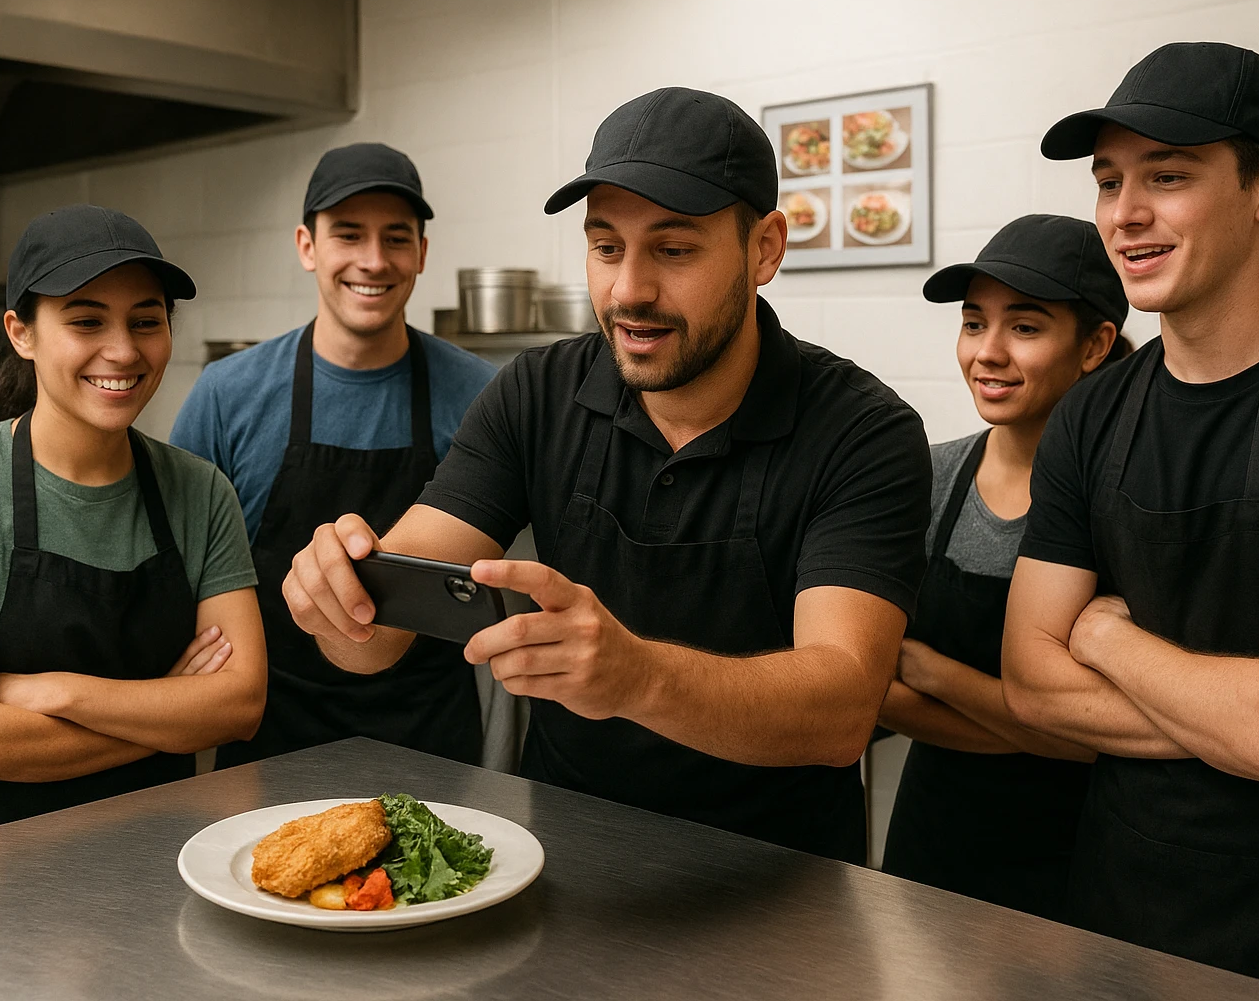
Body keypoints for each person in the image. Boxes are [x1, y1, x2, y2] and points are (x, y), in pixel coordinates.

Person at [278, 87, 932, 864]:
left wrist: (639, 677)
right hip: (566, 861)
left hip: (782, 881)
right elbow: (379, 634)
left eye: (675, 248)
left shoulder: (863, 431)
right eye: (606, 246)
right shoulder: (536, 394)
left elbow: (841, 712)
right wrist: (340, 603)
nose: (628, 291)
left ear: (765, 247)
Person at [1003, 42, 1259, 998]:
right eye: (1109, 181)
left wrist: (1104, 637)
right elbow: (1030, 686)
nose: (1125, 215)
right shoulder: (1095, 409)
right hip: (1119, 917)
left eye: (1167, 177)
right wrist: (1251, 698)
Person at [0, 205, 266, 849]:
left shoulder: (200, 492)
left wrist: (58, 692)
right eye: (86, 320)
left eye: (147, 321)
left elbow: (239, 706)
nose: (123, 350)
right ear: (21, 333)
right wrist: (168, 706)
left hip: (153, 855)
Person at [171, 144, 496, 767]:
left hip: (432, 739)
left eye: (396, 238)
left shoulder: (482, 395)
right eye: (348, 235)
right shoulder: (228, 395)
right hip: (273, 735)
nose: (373, 261)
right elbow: (177, 574)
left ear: (422, 253)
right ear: (307, 246)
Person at [877, 214, 1126, 918]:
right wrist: (1044, 729)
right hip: (934, 847)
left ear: (1095, 345)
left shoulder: (1124, 501)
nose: (987, 353)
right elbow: (874, 689)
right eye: (972, 323)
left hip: (1077, 861)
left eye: (1024, 327)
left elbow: (1103, 745)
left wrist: (936, 675)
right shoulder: (928, 476)